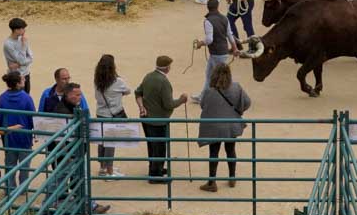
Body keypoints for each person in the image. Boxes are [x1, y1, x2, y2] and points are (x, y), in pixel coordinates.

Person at [196, 63, 251, 193]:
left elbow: (203, 105)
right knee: (230, 150)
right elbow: (247, 102)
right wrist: (238, 110)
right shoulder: (236, 87)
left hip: (214, 127)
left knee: (213, 153)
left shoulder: (209, 91)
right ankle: (232, 178)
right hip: (231, 125)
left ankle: (212, 182)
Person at [137, 54, 186, 183]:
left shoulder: (148, 76)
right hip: (158, 120)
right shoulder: (164, 82)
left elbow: (138, 92)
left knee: (152, 145)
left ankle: (154, 168)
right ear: (167, 68)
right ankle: (155, 175)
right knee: (159, 147)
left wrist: (142, 107)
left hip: (146, 118)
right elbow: (169, 104)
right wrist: (181, 100)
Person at [0, 71, 37, 188]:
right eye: (23, 80)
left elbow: (0, 117)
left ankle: (10, 187)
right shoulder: (27, 98)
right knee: (24, 167)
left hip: (9, 137)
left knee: (9, 165)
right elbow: (32, 117)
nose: (25, 81)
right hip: (24, 136)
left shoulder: (2, 98)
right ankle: (23, 188)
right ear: (18, 84)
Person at [93, 54, 131, 177]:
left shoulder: (97, 80)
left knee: (102, 142)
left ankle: (102, 168)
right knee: (111, 143)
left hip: (100, 114)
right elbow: (128, 91)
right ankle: (109, 171)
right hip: (113, 115)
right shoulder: (117, 81)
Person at [195, 0, 235, 76]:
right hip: (222, 52)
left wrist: (201, 43)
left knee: (220, 78)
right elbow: (230, 35)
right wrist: (235, 48)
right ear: (217, 6)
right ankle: (207, 89)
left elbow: (209, 39)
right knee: (209, 75)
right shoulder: (225, 18)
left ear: (207, 7)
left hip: (217, 54)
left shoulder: (208, 21)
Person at [3, 17, 33, 92]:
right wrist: (23, 47)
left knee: (26, 97)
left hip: (26, 74)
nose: (24, 30)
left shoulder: (22, 39)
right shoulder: (8, 44)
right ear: (16, 30)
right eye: (22, 28)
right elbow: (22, 60)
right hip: (15, 77)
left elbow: (31, 57)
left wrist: (20, 64)